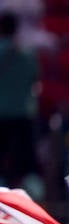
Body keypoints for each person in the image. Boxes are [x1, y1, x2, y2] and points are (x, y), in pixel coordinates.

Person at [0, 12, 37, 190]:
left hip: (1, 117)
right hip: (22, 117)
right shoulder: (27, 55)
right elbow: (34, 79)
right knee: (20, 168)